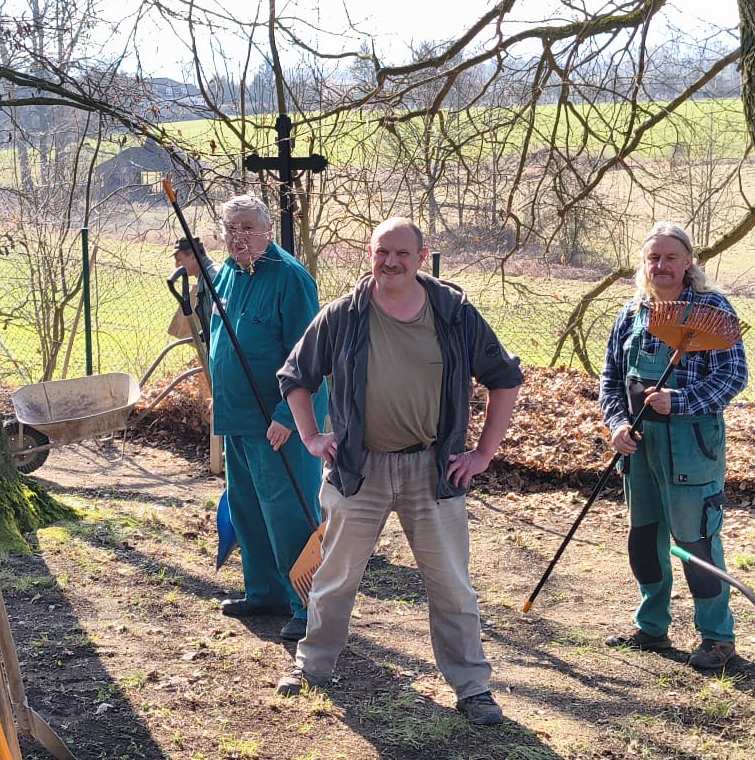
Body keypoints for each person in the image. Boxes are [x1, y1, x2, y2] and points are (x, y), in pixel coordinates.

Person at [276, 218, 523, 725]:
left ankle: (472, 687)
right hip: (357, 469)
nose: (391, 262)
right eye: (381, 252)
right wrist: (311, 437)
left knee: (452, 586)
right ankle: (312, 667)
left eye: (402, 253)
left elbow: (505, 379)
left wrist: (482, 455)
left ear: (421, 257)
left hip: (433, 469)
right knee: (335, 577)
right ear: (370, 253)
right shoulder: (343, 315)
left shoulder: (454, 314)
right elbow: (296, 377)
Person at [598, 220, 749, 672]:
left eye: (670, 257)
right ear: (644, 264)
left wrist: (678, 401)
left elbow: (732, 376)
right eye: (654, 258)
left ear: (688, 263)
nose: (661, 265)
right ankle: (652, 627)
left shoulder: (712, 309)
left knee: (695, 540)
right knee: (645, 538)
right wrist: (618, 424)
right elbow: (610, 379)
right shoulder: (633, 313)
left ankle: (717, 638)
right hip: (639, 444)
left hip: (691, 445)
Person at [200, 194, 327, 640]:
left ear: (268, 230)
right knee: (248, 509)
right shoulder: (225, 274)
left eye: (248, 228)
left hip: (280, 423)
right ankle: (265, 593)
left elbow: (309, 356)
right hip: (237, 418)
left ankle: (307, 604)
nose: (239, 237)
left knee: (288, 512)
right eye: (231, 228)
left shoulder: (290, 278)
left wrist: (287, 415)